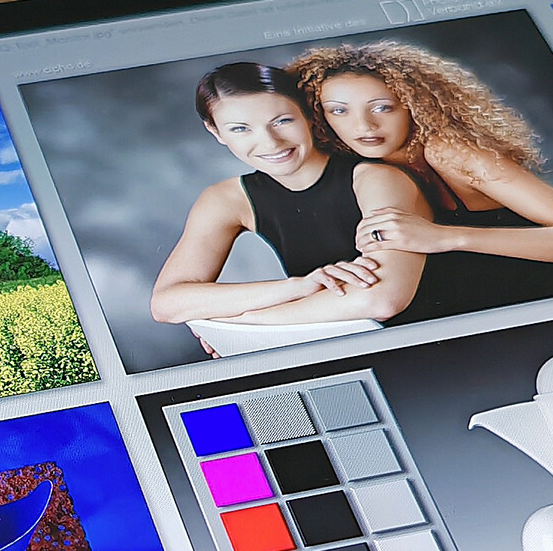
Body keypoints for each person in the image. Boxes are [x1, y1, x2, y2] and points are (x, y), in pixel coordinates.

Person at [288, 41, 553, 316]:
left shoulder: (450, 153)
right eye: (339, 110)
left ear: (414, 105)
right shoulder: (348, 168)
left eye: (382, 107)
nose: (363, 126)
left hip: (542, 313)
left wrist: (446, 237)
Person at [149, 63, 431, 343]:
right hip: (338, 351)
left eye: (282, 121)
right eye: (240, 129)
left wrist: (238, 324)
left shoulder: (376, 179)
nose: (271, 143)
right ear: (215, 132)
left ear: (307, 114)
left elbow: (381, 299)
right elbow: (166, 304)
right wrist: (296, 287)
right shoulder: (227, 199)